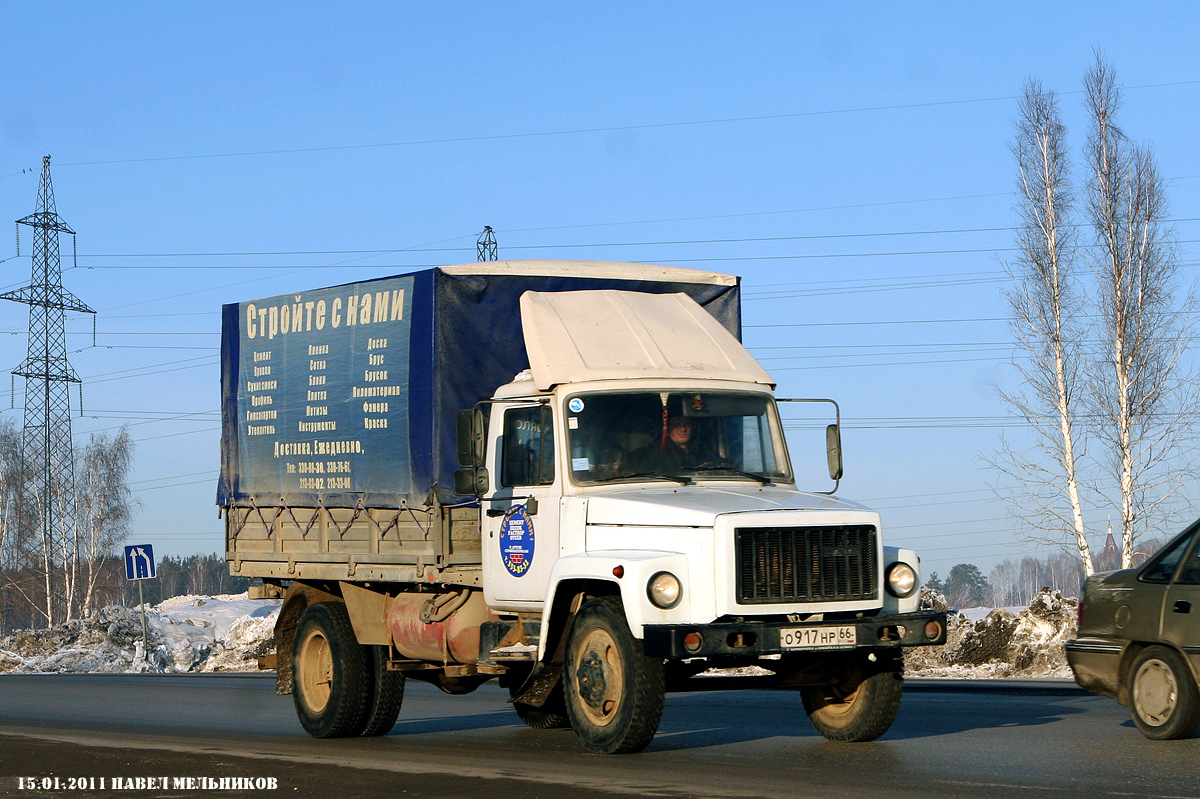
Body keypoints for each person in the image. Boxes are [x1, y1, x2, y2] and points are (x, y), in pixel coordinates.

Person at [635, 415, 701, 474]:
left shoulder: (702, 449)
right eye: (676, 425)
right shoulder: (657, 452)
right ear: (668, 431)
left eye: (687, 425)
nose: (683, 429)